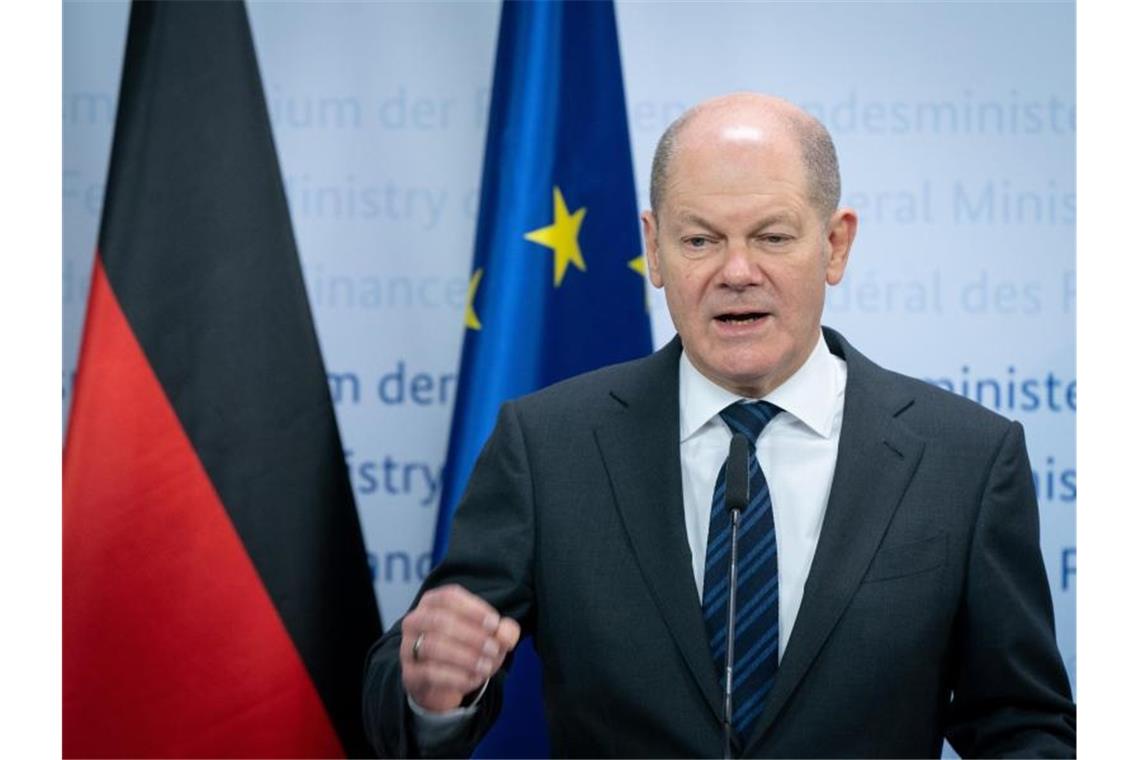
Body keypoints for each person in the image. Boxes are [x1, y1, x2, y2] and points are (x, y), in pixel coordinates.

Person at [362, 93, 1076, 757]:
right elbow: (408, 687)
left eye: (771, 236)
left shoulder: (966, 459)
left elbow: (1023, 722)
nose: (737, 271)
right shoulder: (548, 446)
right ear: (655, 247)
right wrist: (433, 687)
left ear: (835, 244)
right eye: (700, 240)